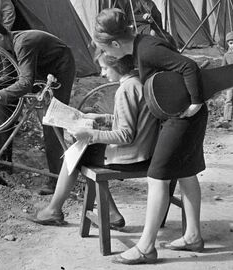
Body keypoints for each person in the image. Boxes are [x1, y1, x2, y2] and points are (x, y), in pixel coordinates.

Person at [92, 8, 207, 265]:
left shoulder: (147, 49)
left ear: (114, 43)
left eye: (106, 50)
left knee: (157, 176)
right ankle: (193, 236)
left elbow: (189, 66)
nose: (108, 56)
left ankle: (146, 247)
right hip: (178, 112)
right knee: (186, 172)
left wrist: (195, 103)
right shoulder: (142, 46)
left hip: (183, 115)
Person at [31, 52, 158, 227]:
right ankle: (111, 214)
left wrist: (90, 135)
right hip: (143, 151)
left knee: (75, 154)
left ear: (118, 66)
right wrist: (103, 118)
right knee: (82, 153)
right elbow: (133, 121)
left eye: (105, 68)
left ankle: (54, 210)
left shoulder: (125, 90)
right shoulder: (138, 83)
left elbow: (125, 135)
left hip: (132, 156)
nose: (103, 73)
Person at [0, 20, 75, 194]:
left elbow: (26, 83)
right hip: (38, 70)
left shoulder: (24, 43)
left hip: (60, 69)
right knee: (4, 102)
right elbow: (7, 77)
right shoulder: (5, 46)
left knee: (51, 120)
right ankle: (1, 160)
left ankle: (55, 178)